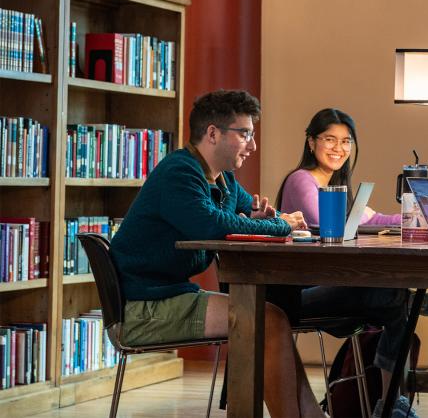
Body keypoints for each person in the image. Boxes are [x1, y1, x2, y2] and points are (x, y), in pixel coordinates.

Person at [110, 90, 324, 418]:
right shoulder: (179, 173)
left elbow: (242, 212)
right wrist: (282, 226)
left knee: (272, 318)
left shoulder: (222, 178)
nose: (252, 146)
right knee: (267, 320)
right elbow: (213, 226)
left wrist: (262, 218)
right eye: (245, 134)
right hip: (143, 308)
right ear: (213, 133)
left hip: (170, 296)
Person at [275, 108, 428, 418]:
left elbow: (375, 219)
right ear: (311, 142)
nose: (339, 148)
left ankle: (392, 404)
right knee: (395, 298)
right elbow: (325, 223)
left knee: (394, 299)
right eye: (330, 139)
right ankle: (391, 405)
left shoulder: (340, 187)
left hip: (335, 284)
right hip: (301, 293)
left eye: (346, 141)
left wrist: (417, 217)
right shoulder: (302, 180)